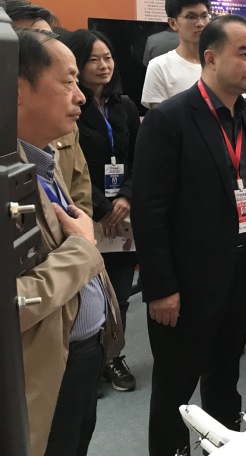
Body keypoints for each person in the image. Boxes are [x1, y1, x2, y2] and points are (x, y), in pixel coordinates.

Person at [132, 14, 246, 456]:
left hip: (237, 276)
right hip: (185, 285)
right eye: (243, 54)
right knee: (175, 391)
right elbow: (149, 211)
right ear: (210, 58)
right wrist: (160, 288)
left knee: (225, 379)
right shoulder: (168, 119)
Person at [15, 28, 123, 456]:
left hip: (80, 351)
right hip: (41, 368)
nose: (80, 96)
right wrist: (82, 249)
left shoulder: (42, 157)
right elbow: (13, 302)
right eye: (68, 82)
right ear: (17, 90)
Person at [62, 29, 140, 393]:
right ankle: (89, 362)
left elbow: (139, 158)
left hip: (124, 215)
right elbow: (69, 168)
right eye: (93, 59)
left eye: (107, 57)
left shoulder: (125, 106)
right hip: (84, 212)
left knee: (120, 293)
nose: (103, 65)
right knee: (87, 294)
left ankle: (113, 355)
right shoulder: (70, 108)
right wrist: (102, 206)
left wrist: (125, 196)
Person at [0, 0, 93, 216]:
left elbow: (79, 186)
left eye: (49, 36)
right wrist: (78, 236)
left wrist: (81, 227)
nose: (80, 97)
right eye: (31, 37)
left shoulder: (58, 130)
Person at [140, 0, 211, 109]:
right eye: (191, 17)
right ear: (173, 23)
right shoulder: (159, 67)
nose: (200, 24)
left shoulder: (221, 62)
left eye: (204, 16)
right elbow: (160, 117)